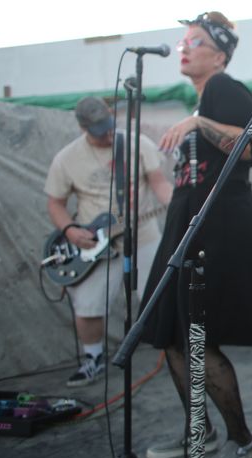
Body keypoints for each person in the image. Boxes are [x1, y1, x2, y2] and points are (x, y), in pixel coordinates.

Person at [140, 12, 252, 458]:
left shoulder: (224, 88)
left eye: (196, 42)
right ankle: (198, 431)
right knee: (172, 336)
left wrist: (199, 124)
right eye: (184, 41)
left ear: (220, 56)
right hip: (188, 225)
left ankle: (242, 439)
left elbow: (251, 147)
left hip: (219, 229)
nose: (184, 48)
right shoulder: (202, 100)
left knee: (196, 337)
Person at [45, 96, 172, 387]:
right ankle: (93, 358)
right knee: (87, 303)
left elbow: (159, 183)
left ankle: (174, 352)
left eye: (108, 125)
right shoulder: (67, 158)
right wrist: (70, 230)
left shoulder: (138, 144)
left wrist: (178, 205)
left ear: (112, 114)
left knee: (161, 295)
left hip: (142, 233)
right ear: (82, 127)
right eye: (98, 131)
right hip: (95, 244)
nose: (106, 135)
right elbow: (55, 203)